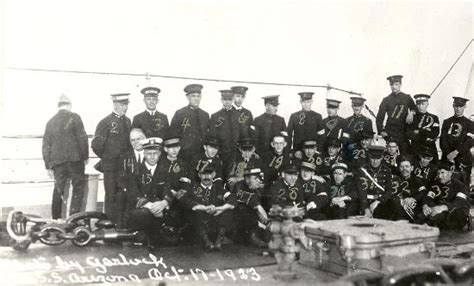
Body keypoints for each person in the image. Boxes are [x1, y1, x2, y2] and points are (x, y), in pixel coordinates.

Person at [126, 137, 184, 248]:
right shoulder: (136, 171)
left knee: (177, 214)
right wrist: (152, 207)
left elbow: (170, 189)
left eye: (155, 153)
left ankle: (152, 236)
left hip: (161, 208)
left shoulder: (166, 170)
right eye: (149, 154)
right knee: (144, 215)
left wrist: (164, 203)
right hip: (144, 209)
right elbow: (134, 195)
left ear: (159, 154)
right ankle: (150, 236)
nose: (152, 157)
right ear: (144, 154)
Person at [42, 94, 89, 219]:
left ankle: (56, 219)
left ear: (58, 106)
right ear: (69, 106)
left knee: (58, 190)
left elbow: (46, 145)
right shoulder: (75, 117)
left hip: (58, 163)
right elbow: (82, 138)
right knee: (78, 190)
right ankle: (74, 218)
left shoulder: (50, 122)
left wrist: (48, 166)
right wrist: (85, 156)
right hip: (75, 160)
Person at [91, 93, 131, 223]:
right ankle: (109, 225)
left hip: (124, 166)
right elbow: (96, 145)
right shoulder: (105, 122)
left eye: (126, 105)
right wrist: (108, 158)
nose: (124, 108)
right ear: (114, 104)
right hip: (111, 166)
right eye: (121, 104)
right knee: (111, 195)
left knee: (122, 195)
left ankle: (120, 225)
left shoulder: (128, 121)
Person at [178, 164, 234, 251]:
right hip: (200, 226)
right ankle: (207, 242)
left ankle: (219, 242)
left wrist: (219, 209)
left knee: (228, 211)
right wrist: (204, 208)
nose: (206, 177)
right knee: (193, 212)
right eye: (203, 174)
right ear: (199, 175)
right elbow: (184, 200)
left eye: (209, 174)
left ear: (214, 175)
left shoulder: (219, 189)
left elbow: (233, 199)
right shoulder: (193, 189)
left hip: (216, 224)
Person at [419, 160, 470, 230]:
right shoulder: (436, 184)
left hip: (456, 213)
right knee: (420, 218)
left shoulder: (460, 186)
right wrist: (425, 206)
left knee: (433, 220)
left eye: (443, 173)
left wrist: (442, 208)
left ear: (450, 173)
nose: (440, 176)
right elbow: (428, 197)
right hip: (438, 212)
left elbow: (459, 202)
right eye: (438, 173)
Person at [376, 75, 416, 154]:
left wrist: (411, 113)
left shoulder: (407, 97)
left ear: (400, 85)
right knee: (389, 157)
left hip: (403, 133)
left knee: (406, 155)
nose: (394, 87)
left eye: (396, 84)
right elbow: (379, 118)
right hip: (390, 133)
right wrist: (381, 131)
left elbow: (414, 108)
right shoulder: (386, 100)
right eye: (392, 84)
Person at [170, 84, 209, 161]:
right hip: (184, 155)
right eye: (193, 96)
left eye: (198, 96)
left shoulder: (205, 115)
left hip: (200, 155)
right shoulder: (180, 113)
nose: (196, 99)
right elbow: (173, 135)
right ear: (187, 97)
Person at [230, 167, 268, 247]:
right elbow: (257, 206)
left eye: (259, 178)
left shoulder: (258, 187)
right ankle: (252, 237)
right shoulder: (239, 186)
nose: (258, 181)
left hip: (255, 217)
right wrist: (264, 222)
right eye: (255, 178)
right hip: (239, 218)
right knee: (244, 209)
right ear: (247, 179)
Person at [356, 139, 394, 219]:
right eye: (372, 158)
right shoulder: (363, 170)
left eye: (377, 158)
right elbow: (361, 191)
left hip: (380, 203)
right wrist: (365, 208)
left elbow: (389, 191)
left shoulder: (387, 170)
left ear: (381, 158)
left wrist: (378, 201)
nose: (374, 161)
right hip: (365, 202)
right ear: (369, 157)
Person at [116, 128, 146, 228]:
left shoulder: (151, 154)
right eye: (133, 140)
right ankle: (120, 230)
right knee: (120, 195)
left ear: (145, 139)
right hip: (130, 191)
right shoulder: (125, 156)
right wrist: (127, 189)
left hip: (148, 189)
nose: (136, 142)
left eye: (139, 139)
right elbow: (121, 178)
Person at [440, 96, 473, 184]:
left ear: (465, 106)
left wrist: (456, 152)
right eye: (456, 106)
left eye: (460, 106)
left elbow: (470, 141)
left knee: (463, 183)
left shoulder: (470, 124)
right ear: (453, 106)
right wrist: (448, 154)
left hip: (463, 158)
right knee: (446, 183)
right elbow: (442, 140)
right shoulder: (447, 122)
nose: (458, 109)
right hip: (447, 158)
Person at [208, 89, 243, 170]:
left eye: (229, 99)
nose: (227, 102)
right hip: (220, 153)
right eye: (225, 99)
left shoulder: (239, 116)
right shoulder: (215, 116)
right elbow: (212, 136)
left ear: (233, 100)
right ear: (221, 100)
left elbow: (242, 134)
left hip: (235, 153)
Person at [391, 155, 427, 222]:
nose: (404, 169)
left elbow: (423, 192)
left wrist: (413, 198)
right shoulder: (395, 179)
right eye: (402, 167)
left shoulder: (416, 180)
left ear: (412, 168)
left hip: (410, 210)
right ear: (399, 168)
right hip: (396, 207)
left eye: (407, 166)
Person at [287, 92, 323, 157]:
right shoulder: (294, 116)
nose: (306, 104)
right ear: (300, 102)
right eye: (304, 102)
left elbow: (321, 136)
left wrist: (318, 150)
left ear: (312, 101)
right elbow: (289, 135)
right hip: (298, 151)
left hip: (313, 151)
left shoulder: (317, 116)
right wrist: (290, 151)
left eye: (308, 102)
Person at [406, 94, 440, 161]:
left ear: (427, 104)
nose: (420, 107)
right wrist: (426, 133)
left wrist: (419, 132)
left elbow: (435, 133)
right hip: (415, 149)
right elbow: (408, 134)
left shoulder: (434, 117)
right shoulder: (411, 118)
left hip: (430, 148)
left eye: (423, 104)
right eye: (418, 104)